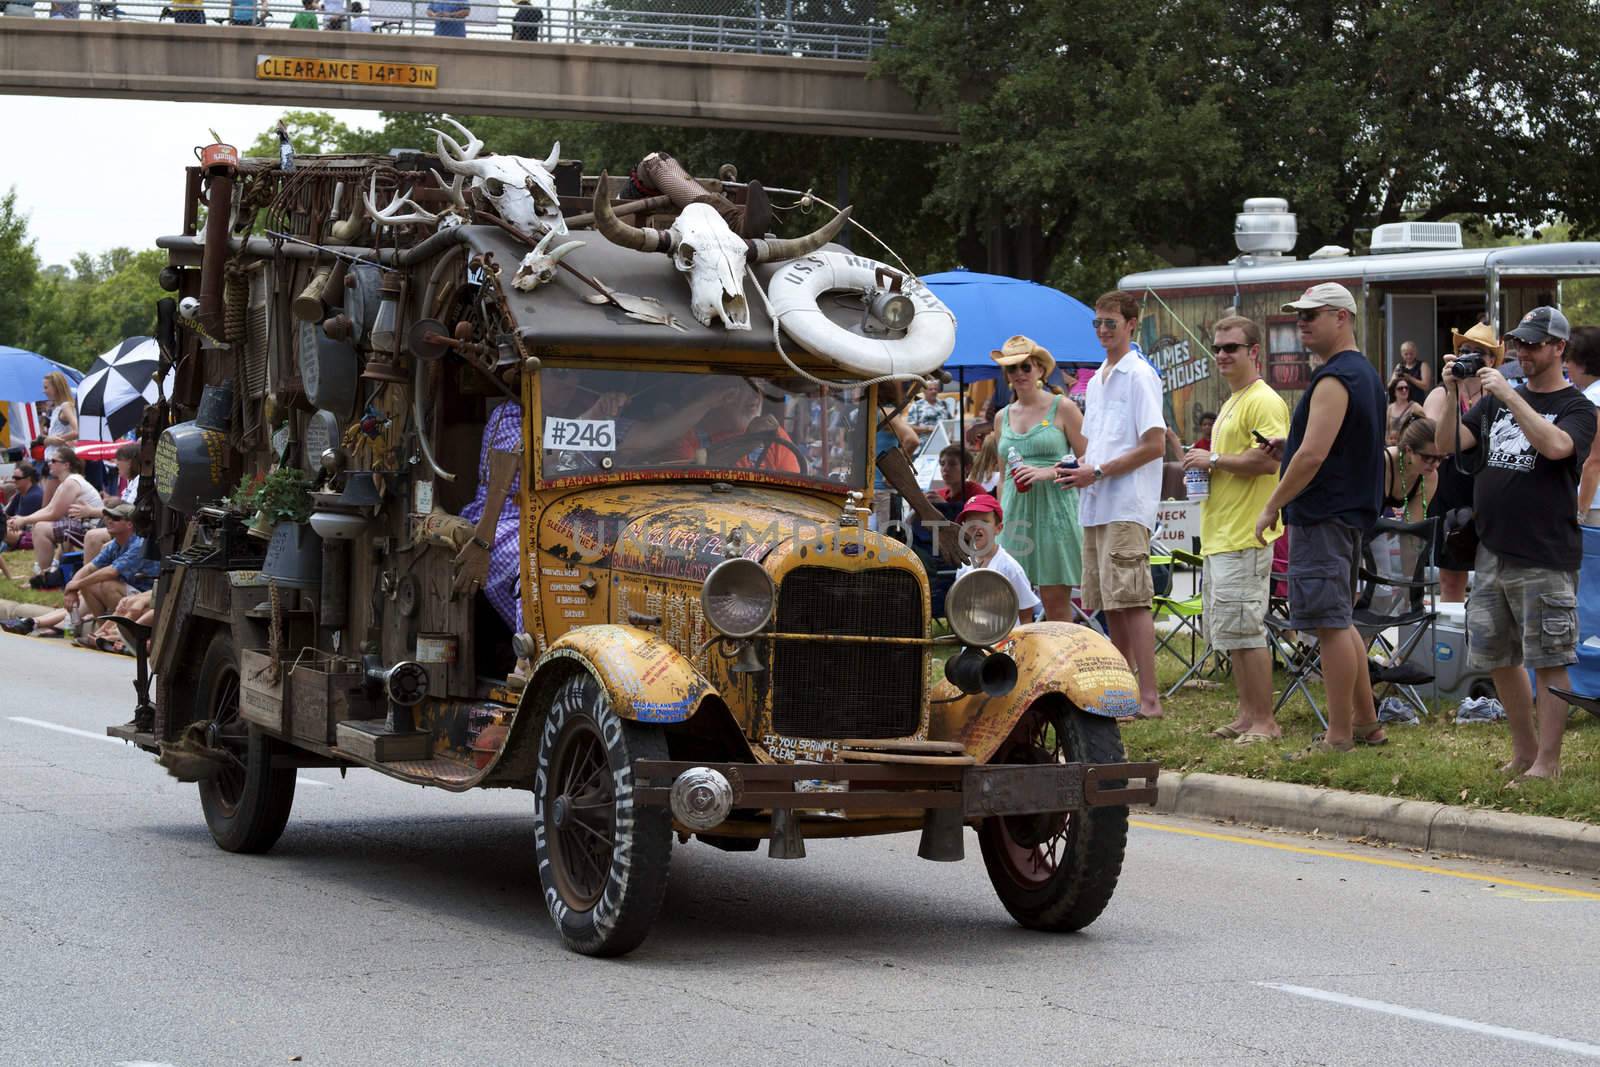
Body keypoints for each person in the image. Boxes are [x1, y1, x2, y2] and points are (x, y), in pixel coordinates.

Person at [1437, 306, 1594, 781]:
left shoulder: (1578, 407)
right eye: (1519, 344)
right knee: (1498, 658)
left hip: (1543, 554)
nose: (1522, 352)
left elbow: (1556, 447)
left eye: (1533, 344)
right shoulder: (1493, 402)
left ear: (1559, 348)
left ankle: (1548, 762)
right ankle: (1524, 752)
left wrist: (1510, 395)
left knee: (1549, 659)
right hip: (1491, 551)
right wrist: (1451, 392)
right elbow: (1449, 444)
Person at [1254, 283, 1387, 751]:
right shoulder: (1364, 374)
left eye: (1313, 314)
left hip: (1324, 514)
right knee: (1341, 619)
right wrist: (1286, 449)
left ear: (1342, 318)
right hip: (1346, 514)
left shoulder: (1334, 378)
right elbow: (1336, 448)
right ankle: (1367, 723)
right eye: (1299, 315)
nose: (1302, 322)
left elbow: (1312, 457)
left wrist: (1272, 504)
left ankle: (1339, 735)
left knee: (1329, 625)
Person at [1180, 315, 1290, 743]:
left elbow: (1269, 460)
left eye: (1232, 348)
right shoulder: (1232, 400)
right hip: (1221, 533)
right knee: (1231, 632)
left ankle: (1266, 722)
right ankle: (1247, 715)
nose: (1222, 355)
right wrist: (1206, 460)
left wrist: (1213, 460)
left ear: (1254, 352)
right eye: (1218, 348)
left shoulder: (1263, 401)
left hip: (1247, 532)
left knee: (1247, 631)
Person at [1057, 294, 1166, 719]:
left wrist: (1097, 472)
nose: (1103, 331)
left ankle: (1150, 698)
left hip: (1126, 503)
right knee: (1111, 601)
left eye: (1111, 323)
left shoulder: (1139, 375)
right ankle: (1123, 693)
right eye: (1098, 324)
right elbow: (1098, 450)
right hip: (1096, 503)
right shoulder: (1098, 378)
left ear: (1132, 325)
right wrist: (1071, 470)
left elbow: (1154, 445)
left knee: (1133, 600)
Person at [991, 335, 1085, 624]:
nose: (1019, 374)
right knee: (1010, 605)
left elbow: (1088, 461)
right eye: (1012, 368)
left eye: (1025, 367)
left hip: (1054, 511)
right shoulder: (1002, 416)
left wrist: (1048, 472)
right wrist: (997, 516)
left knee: (1056, 605)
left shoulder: (1063, 407)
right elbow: (1003, 474)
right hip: (1015, 515)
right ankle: (1017, 667)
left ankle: (1059, 667)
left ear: (1040, 370)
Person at [1422, 321, 1503, 601]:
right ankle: (1452, 642)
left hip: (1487, 493)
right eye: (1464, 350)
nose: (1469, 356)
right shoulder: (1441, 393)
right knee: (1450, 577)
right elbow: (1434, 443)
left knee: (1492, 577)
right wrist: (1453, 390)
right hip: (1449, 492)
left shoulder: (1500, 396)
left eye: (1478, 352)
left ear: (1492, 361)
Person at [6, 503, 156, 644]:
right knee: (89, 586)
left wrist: (77, 584)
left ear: (130, 524)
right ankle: (98, 632)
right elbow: (89, 568)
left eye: (115, 518)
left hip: (148, 597)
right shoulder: (116, 544)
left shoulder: (138, 544)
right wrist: (72, 587)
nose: (109, 521)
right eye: (108, 517)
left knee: (104, 584)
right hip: (128, 594)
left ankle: (37, 623)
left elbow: (110, 572)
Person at [7, 448, 100, 580]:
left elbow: (55, 514)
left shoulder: (71, 482)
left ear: (66, 465)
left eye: (54, 461)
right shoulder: (67, 482)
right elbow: (49, 508)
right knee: (39, 525)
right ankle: (51, 572)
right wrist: (23, 518)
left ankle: (45, 577)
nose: (49, 463)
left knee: (41, 528)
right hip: (86, 525)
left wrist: (24, 520)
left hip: (92, 529)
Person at [954, 493, 1041, 626]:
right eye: (971, 522)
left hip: (1004, 642)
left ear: (998, 528)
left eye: (984, 521)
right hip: (973, 639)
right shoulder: (964, 565)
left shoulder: (1009, 567)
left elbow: (1025, 612)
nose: (976, 527)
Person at [1564, 326, 1600, 523]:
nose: (1566, 365)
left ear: (1584, 364)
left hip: (1593, 505)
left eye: (1569, 359)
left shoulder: (1593, 398)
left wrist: (1580, 511)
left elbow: (1594, 460)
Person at [2, 462, 43, 551]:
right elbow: (6, 514)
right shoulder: (20, 493)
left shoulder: (34, 496)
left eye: (17, 478)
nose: (14, 480)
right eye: (13, 477)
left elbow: (18, 524)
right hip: (19, 531)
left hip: (28, 535)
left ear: (28, 479)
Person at [40, 371, 77, 451]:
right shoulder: (58, 408)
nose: (44, 391)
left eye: (46, 387)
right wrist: (48, 440)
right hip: (55, 459)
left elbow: (77, 431)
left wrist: (54, 440)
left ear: (56, 388)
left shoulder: (65, 406)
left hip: (61, 458)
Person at [1385, 377, 1424, 444]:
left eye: (1406, 388)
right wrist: (1388, 441)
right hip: (1392, 446)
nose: (1404, 390)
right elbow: (1386, 430)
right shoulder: (1390, 408)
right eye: (1400, 388)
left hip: (1408, 447)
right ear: (1394, 392)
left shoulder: (1415, 407)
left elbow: (1425, 425)